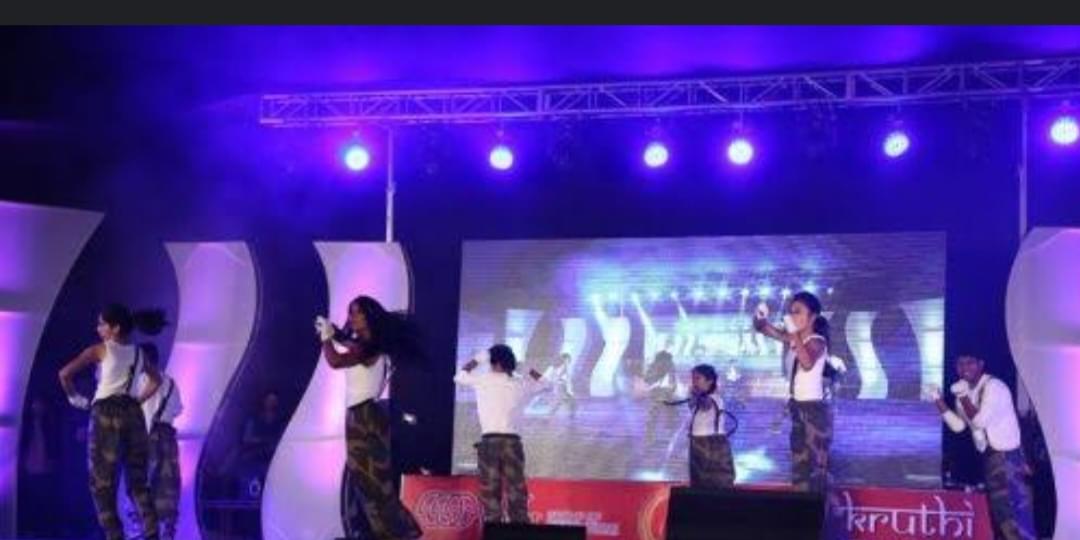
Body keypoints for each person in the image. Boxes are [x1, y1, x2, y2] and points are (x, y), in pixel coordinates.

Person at [315, 295, 422, 540]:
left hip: (365, 417)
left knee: (374, 482)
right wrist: (334, 333)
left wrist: (326, 338)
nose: (352, 317)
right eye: (350, 312)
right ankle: (390, 532)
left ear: (369, 316)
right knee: (367, 482)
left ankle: (401, 532)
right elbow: (348, 342)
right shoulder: (364, 345)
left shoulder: (369, 347)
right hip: (360, 416)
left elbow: (335, 361)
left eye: (357, 312)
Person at [58, 303, 166, 540]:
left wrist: (75, 398)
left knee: (102, 484)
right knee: (138, 483)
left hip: (105, 413)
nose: (98, 328)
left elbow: (64, 374)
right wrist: (136, 401)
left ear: (115, 328)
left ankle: (115, 536)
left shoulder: (100, 350)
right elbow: (156, 380)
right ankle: (152, 534)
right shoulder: (139, 353)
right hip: (133, 415)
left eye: (102, 324)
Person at [932, 355, 1035, 540]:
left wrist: (962, 396)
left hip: (1008, 457)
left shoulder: (994, 387)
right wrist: (938, 400)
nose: (965, 368)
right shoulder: (965, 390)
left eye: (970, 363)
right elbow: (959, 426)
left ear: (981, 364)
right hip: (991, 457)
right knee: (1002, 514)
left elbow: (979, 421)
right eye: (960, 363)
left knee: (1015, 513)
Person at [454, 344, 547, 524]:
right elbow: (546, 383)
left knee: (490, 492)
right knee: (516, 490)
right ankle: (520, 530)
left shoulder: (483, 380)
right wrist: (527, 369)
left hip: (490, 442)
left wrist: (477, 360)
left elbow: (459, 376)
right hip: (512, 443)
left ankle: (493, 530)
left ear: (494, 363)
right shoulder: (520, 383)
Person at [753, 291, 832, 493]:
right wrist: (759, 316)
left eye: (798, 312)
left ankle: (817, 506)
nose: (792, 316)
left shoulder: (817, 341)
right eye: (791, 312)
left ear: (812, 317)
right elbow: (763, 329)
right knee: (799, 463)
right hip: (797, 407)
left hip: (814, 411)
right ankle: (800, 503)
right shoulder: (793, 339)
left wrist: (793, 333)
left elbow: (806, 363)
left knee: (815, 467)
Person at [119, 347, 184, 540]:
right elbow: (177, 410)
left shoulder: (134, 384)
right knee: (167, 494)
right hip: (166, 442)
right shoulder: (170, 383)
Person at [682, 364, 736, 489]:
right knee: (698, 479)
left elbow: (705, 405)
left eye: (698, 378)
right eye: (693, 378)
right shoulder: (697, 398)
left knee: (716, 480)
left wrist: (697, 394)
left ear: (710, 381)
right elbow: (693, 406)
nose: (694, 382)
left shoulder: (715, 398)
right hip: (697, 441)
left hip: (711, 442)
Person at [541, 352, 577, 417]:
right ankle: (549, 415)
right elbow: (548, 378)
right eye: (566, 359)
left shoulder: (565, 367)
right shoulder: (556, 368)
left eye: (568, 360)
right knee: (559, 401)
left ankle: (571, 415)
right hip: (559, 386)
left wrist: (569, 389)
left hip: (563, 386)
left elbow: (567, 379)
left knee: (569, 401)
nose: (567, 361)